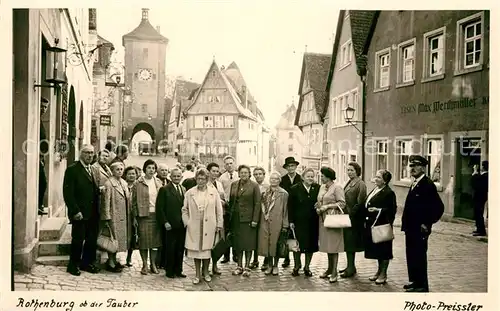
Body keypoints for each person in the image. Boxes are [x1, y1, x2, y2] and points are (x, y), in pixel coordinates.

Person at [402, 155, 444, 292]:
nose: (412, 168)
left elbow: (438, 207)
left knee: (419, 255)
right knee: (411, 255)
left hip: (420, 229)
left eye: (415, 166)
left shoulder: (427, 185)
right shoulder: (415, 182)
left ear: (423, 167)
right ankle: (414, 281)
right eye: (411, 166)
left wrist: (427, 223)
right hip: (411, 227)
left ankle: (422, 285)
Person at [62, 145, 101, 276]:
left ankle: (86, 263)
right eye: (87, 153)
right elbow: (68, 193)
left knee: (91, 240)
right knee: (78, 240)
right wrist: (75, 211)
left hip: (93, 212)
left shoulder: (94, 170)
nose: (90, 155)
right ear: (81, 154)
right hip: (79, 213)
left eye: (92, 153)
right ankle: (73, 265)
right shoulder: (73, 170)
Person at [182, 168, 224, 284]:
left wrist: (219, 224)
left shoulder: (213, 192)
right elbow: (184, 210)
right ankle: (197, 274)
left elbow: (219, 210)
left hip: (209, 224)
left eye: (203, 179)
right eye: (199, 178)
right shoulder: (190, 193)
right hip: (195, 225)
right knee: (196, 250)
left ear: (207, 179)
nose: (201, 181)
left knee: (207, 250)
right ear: (196, 179)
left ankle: (206, 272)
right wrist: (187, 222)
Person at [364, 169, 397, 284]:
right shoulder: (376, 189)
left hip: (382, 226)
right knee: (377, 250)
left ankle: (383, 274)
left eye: (378, 177)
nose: (375, 179)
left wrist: (379, 210)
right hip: (373, 224)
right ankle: (378, 271)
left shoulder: (388, 193)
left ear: (385, 181)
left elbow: (392, 210)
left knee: (384, 250)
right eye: (376, 176)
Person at [229, 165, 262, 277]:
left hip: (248, 220)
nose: (243, 174)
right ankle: (239, 266)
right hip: (236, 219)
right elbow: (231, 201)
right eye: (241, 172)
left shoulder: (254, 186)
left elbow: (257, 204)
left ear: (249, 174)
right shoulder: (234, 185)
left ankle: (247, 266)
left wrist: (255, 220)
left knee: (248, 243)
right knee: (238, 244)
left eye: (246, 172)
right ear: (238, 173)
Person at [132, 159, 163, 275]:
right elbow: (133, 201)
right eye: (149, 167)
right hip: (143, 215)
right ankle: (144, 264)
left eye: (153, 168)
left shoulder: (158, 182)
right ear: (145, 169)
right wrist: (135, 216)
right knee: (144, 241)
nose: (151, 170)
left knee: (155, 242)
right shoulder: (138, 182)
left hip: (156, 215)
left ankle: (153, 264)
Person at [288, 168, 320, 277]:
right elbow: (290, 207)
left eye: (312, 176)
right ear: (303, 177)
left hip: (312, 222)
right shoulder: (294, 189)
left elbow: (321, 200)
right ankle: (297, 266)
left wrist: (319, 204)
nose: (310, 178)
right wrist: (291, 221)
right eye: (308, 176)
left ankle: (307, 267)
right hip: (298, 222)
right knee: (297, 245)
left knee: (310, 245)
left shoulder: (317, 188)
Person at [156, 167, 187, 278]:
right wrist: (165, 222)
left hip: (181, 224)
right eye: (174, 176)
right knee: (170, 248)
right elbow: (160, 208)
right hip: (170, 224)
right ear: (170, 177)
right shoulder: (164, 189)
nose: (176, 178)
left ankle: (179, 270)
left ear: (181, 177)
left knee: (180, 248)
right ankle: (169, 271)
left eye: (178, 176)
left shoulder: (183, 189)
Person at [316, 167, 345, 283]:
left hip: (333, 219)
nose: (320, 177)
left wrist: (327, 206)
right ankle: (329, 269)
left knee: (334, 246)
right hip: (323, 219)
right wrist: (318, 205)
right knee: (328, 246)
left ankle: (334, 272)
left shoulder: (337, 187)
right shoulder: (322, 187)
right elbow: (321, 199)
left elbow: (342, 204)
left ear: (328, 177)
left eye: (322, 176)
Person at [101, 161, 131, 273]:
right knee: (112, 239)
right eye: (117, 169)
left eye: (121, 169)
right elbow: (106, 201)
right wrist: (107, 217)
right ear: (112, 171)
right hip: (114, 215)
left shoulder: (123, 182)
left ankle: (114, 260)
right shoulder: (109, 184)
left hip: (123, 216)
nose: (119, 171)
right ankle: (111, 262)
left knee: (119, 240)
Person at [257, 171, 289, 276]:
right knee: (267, 244)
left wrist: (285, 225)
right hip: (265, 221)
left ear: (279, 180)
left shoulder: (284, 194)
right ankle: (269, 265)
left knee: (276, 244)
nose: (273, 180)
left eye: (276, 179)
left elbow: (285, 211)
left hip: (277, 222)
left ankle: (275, 266)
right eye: (272, 179)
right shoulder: (265, 192)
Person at [339, 162, 367, 278]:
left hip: (354, 219)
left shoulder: (361, 184)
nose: (349, 172)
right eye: (348, 170)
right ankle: (350, 266)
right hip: (347, 217)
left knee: (351, 243)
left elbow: (360, 202)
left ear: (357, 171)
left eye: (352, 170)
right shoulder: (350, 182)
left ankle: (351, 268)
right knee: (347, 242)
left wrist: (351, 215)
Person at [279, 156, 302, 268]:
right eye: (289, 166)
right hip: (285, 209)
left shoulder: (301, 179)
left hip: (297, 211)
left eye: (293, 166)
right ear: (286, 168)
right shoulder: (282, 180)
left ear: (296, 167)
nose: (291, 168)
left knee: (296, 235)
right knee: (285, 234)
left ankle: (297, 261)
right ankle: (286, 258)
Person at [206, 162, 226, 275]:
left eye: (217, 171)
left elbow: (223, 199)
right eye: (213, 171)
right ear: (208, 172)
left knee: (218, 243)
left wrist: (222, 202)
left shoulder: (219, 184)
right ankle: (206, 266)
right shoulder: (205, 184)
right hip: (208, 217)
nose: (215, 173)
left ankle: (215, 265)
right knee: (208, 243)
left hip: (219, 215)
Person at [219, 155, 239, 263]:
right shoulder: (222, 178)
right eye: (227, 164)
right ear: (224, 165)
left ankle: (235, 255)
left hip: (237, 206)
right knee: (226, 231)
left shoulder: (239, 176)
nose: (229, 165)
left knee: (235, 230)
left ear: (234, 164)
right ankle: (226, 255)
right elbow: (221, 193)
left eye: (231, 163)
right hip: (226, 206)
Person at [250, 167, 270, 270]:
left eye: (260, 174)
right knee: (254, 237)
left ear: (264, 175)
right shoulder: (252, 186)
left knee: (264, 237)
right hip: (254, 214)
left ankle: (266, 261)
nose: (258, 176)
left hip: (264, 214)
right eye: (256, 174)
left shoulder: (268, 186)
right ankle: (255, 260)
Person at [156, 163, 171, 268]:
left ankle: (165, 261)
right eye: (162, 170)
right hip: (159, 213)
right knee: (158, 240)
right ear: (158, 171)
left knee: (167, 241)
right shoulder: (155, 181)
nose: (164, 172)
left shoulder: (169, 182)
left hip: (168, 214)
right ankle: (158, 261)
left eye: (166, 170)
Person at [123, 166, 139, 267]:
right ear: (126, 175)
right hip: (123, 214)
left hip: (134, 214)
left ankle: (129, 257)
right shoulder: (123, 185)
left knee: (133, 236)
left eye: (133, 174)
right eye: (129, 174)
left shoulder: (138, 187)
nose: (132, 176)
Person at [38, 97, 49, 215]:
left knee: (42, 182)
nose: (44, 109)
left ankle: (39, 205)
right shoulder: (37, 119)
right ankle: (39, 205)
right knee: (42, 182)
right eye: (42, 106)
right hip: (37, 157)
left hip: (41, 157)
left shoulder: (40, 119)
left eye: (45, 107)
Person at [471, 161, 488, 236]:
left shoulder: (484, 176)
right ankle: (479, 229)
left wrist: (475, 172)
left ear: (483, 167)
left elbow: (474, 183)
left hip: (480, 198)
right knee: (478, 214)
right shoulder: (483, 176)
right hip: (481, 197)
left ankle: (481, 231)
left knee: (479, 214)